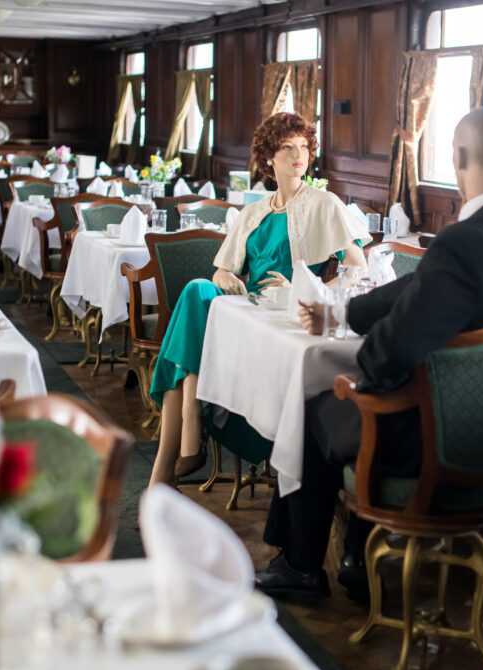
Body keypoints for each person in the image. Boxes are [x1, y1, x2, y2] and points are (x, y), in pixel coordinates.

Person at [256, 106, 483, 601]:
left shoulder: (463, 242)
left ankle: (302, 566)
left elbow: (389, 354)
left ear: (459, 159)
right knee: (348, 406)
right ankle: (355, 552)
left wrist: (359, 375)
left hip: (433, 441)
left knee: (314, 406)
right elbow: (419, 289)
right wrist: (343, 313)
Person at [147, 112, 370, 488]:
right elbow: (220, 272)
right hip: (243, 313)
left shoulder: (324, 204)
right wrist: (227, 277)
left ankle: (166, 468)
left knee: (181, 360)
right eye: (287, 147)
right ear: (269, 157)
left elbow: (358, 268)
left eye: (304, 146)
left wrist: (308, 286)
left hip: (281, 320)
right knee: (199, 288)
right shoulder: (253, 212)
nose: (299, 155)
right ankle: (186, 426)